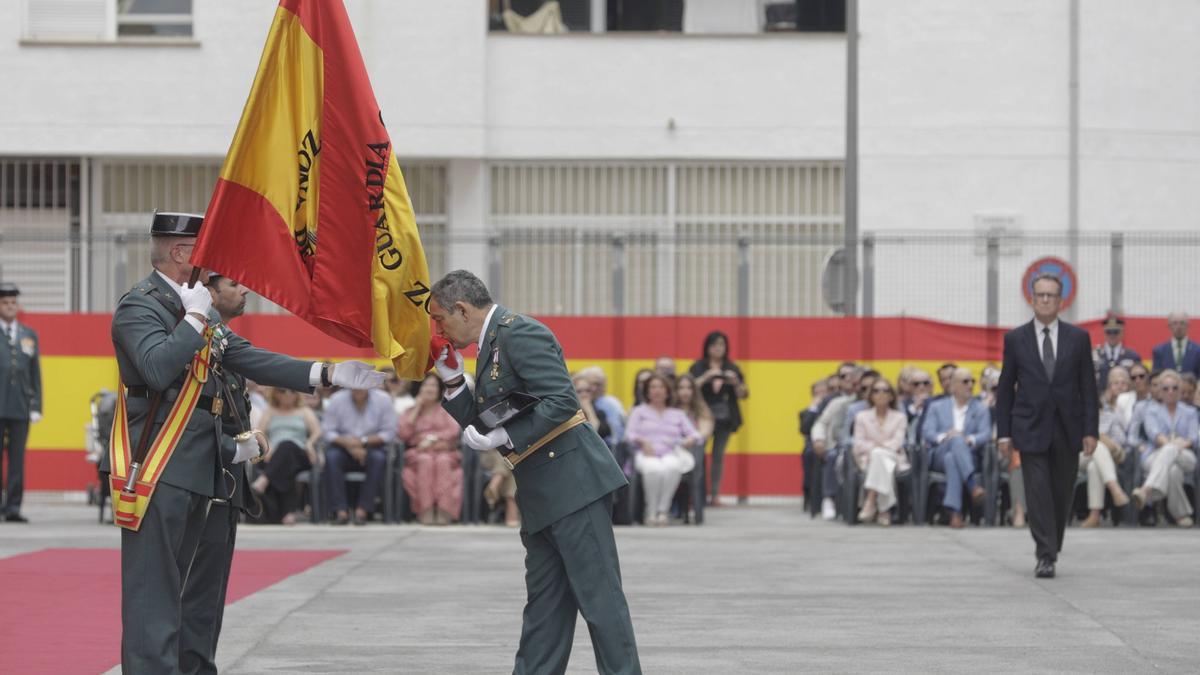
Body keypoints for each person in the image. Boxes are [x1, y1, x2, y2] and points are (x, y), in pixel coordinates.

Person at [100, 212, 384, 673]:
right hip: (158, 465)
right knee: (154, 594)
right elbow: (155, 369)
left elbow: (247, 357)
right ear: (181, 253)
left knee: (194, 594)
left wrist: (326, 373)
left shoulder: (196, 311)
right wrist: (194, 316)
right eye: (206, 251)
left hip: (198, 466)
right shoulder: (141, 306)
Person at [427, 269, 641, 674]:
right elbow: (487, 420)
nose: (437, 328)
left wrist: (506, 434)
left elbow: (561, 400)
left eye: (439, 318)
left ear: (462, 308)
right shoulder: (491, 343)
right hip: (542, 489)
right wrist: (454, 383)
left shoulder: (519, 333)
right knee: (545, 607)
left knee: (600, 602)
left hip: (573, 482)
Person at [996, 273, 1099, 579]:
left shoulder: (1078, 339)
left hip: (1067, 428)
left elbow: (1088, 388)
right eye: (1039, 295)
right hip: (1030, 426)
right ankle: (1045, 554)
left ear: (1060, 301)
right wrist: (1004, 433)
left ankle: (1052, 544)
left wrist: (1090, 430)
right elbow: (1005, 389)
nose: (1044, 300)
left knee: (1061, 492)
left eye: (1050, 295)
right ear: (1031, 299)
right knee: (1038, 491)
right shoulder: (1016, 339)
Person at [626, 373, 703, 526]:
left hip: (670, 452)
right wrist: (642, 441)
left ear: (667, 391)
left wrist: (689, 440)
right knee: (653, 470)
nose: (657, 391)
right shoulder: (639, 411)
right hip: (646, 453)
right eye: (653, 387)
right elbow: (629, 434)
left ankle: (663, 511)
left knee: (672, 467)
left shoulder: (677, 414)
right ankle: (651, 510)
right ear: (647, 391)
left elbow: (695, 434)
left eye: (661, 387)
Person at [922, 368, 991, 528]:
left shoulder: (980, 408)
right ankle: (972, 485)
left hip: (969, 454)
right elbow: (928, 431)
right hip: (940, 451)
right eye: (965, 381)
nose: (970, 385)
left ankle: (955, 513)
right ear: (953, 386)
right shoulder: (936, 407)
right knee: (954, 441)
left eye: (972, 381)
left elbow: (985, 433)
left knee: (952, 458)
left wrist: (969, 439)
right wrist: (946, 436)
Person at [688, 330, 748, 506]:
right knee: (698, 452)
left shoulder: (732, 367)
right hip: (702, 415)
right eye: (714, 345)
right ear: (707, 347)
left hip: (725, 417)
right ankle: (697, 494)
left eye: (721, 345)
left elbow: (743, 394)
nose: (718, 348)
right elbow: (688, 388)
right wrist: (706, 377)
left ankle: (715, 494)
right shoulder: (698, 366)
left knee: (718, 456)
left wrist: (735, 382)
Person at [322, 386, 398, 525]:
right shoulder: (337, 399)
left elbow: (389, 432)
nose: (358, 387)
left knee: (378, 459)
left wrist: (363, 442)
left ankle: (362, 510)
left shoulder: (383, 399)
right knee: (332, 458)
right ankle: (340, 511)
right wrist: (349, 444)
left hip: (372, 445)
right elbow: (328, 431)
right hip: (343, 446)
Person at [1131, 369, 1198, 527]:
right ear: (1160, 391)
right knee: (1173, 470)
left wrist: (1180, 444)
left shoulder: (1190, 411)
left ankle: (1146, 491)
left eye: (1174, 387)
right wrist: (1175, 443)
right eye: (1166, 388)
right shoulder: (1151, 411)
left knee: (1170, 451)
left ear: (1180, 390)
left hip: (1186, 456)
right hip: (1154, 454)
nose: (1170, 391)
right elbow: (1154, 434)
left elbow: (1194, 437)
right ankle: (1181, 515)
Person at [399, 373, 464, 525]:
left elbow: (453, 431)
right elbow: (404, 434)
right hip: (418, 453)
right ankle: (425, 510)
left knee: (442, 461)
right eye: (426, 385)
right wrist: (417, 408)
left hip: (444, 452)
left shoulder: (446, 410)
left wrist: (432, 439)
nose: (430, 389)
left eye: (433, 385)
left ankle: (444, 511)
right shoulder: (410, 411)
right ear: (419, 388)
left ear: (439, 389)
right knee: (425, 461)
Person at [0, 282, 41, 523]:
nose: (9, 306)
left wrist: (36, 405)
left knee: (17, 459)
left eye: (13, 303)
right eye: (5, 303)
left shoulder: (28, 335)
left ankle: (13, 507)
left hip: (20, 406)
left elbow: (35, 373)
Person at [253, 386, 321, 524]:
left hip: (300, 453)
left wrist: (309, 444)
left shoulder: (304, 411)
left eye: (292, 391)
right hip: (274, 455)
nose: (288, 394)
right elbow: (259, 432)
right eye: (282, 391)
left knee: (287, 446)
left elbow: (317, 431)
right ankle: (288, 513)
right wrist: (268, 447)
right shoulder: (270, 411)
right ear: (275, 393)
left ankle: (263, 481)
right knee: (284, 464)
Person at [1079, 367, 1132, 527]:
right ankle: (1115, 489)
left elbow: (1125, 437)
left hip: (1111, 456)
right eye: (1115, 383)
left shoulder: (1123, 407)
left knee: (1095, 467)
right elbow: (1093, 435)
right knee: (1098, 445)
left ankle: (1094, 515)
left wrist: (1115, 447)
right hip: (1081, 454)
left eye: (1123, 383)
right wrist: (1111, 445)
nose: (1119, 386)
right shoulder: (1093, 406)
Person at [853, 377, 908, 526]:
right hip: (868, 459)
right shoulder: (861, 417)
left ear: (891, 396)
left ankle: (870, 501)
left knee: (880, 456)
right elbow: (858, 443)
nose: (881, 394)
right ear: (871, 395)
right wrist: (876, 448)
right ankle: (885, 510)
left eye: (885, 391)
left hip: (894, 457)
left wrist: (879, 447)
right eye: (877, 391)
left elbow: (898, 442)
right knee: (879, 457)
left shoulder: (900, 417)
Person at [675, 373, 714, 523]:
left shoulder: (702, 411)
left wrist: (691, 439)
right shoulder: (669, 409)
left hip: (692, 452)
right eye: (681, 388)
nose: (685, 392)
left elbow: (704, 432)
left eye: (689, 388)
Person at [580, 365, 625, 448]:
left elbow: (615, 435)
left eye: (598, 384)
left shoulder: (611, 404)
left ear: (604, 386)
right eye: (591, 384)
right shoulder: (576, 403)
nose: (594, 388)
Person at [1092, 313, 1141, 389]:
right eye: (1109, 332)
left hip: (1126, 398)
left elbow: (1137, 380)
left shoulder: (1132, 356)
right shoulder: (1094, 355)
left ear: (1122, 333)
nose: (1112, 335)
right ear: (1104, 333)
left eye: (1116, 332)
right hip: (1100, 398)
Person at [1152, 312, 1200, 379]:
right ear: (1169, 326)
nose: (1179, 326)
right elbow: (1156, 378)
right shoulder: (1159, 351)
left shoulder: (1198, 350)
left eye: (1182, 323)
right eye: (1175, 323)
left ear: (1188, 325)